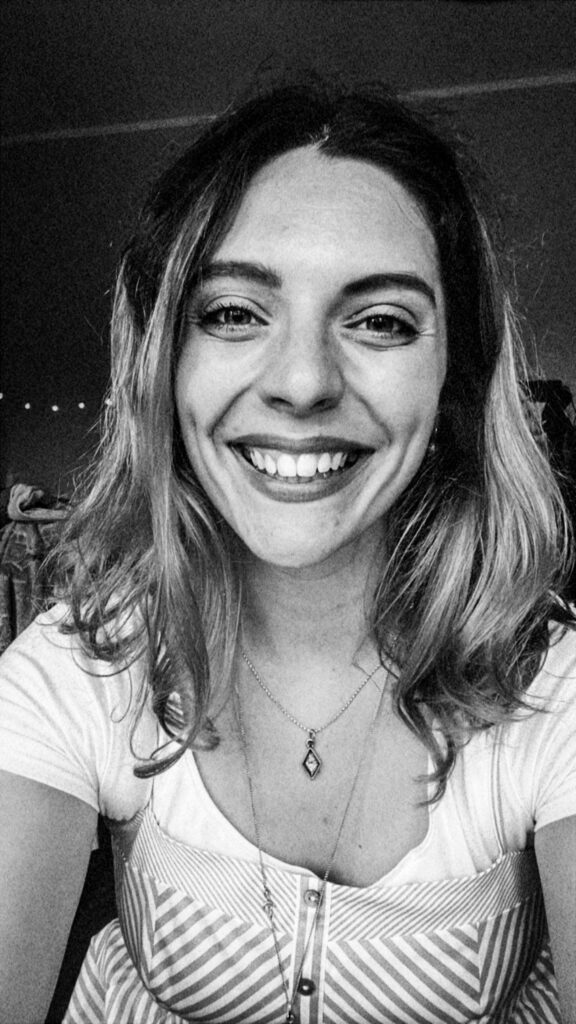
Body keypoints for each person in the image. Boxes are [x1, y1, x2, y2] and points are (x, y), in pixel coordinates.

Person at [0, 82, 575, 1024]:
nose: (304, 383)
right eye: (234, 312)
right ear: (164, 362)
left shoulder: (553, 689)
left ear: (454, 380)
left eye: (381, 320)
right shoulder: (83, 670)